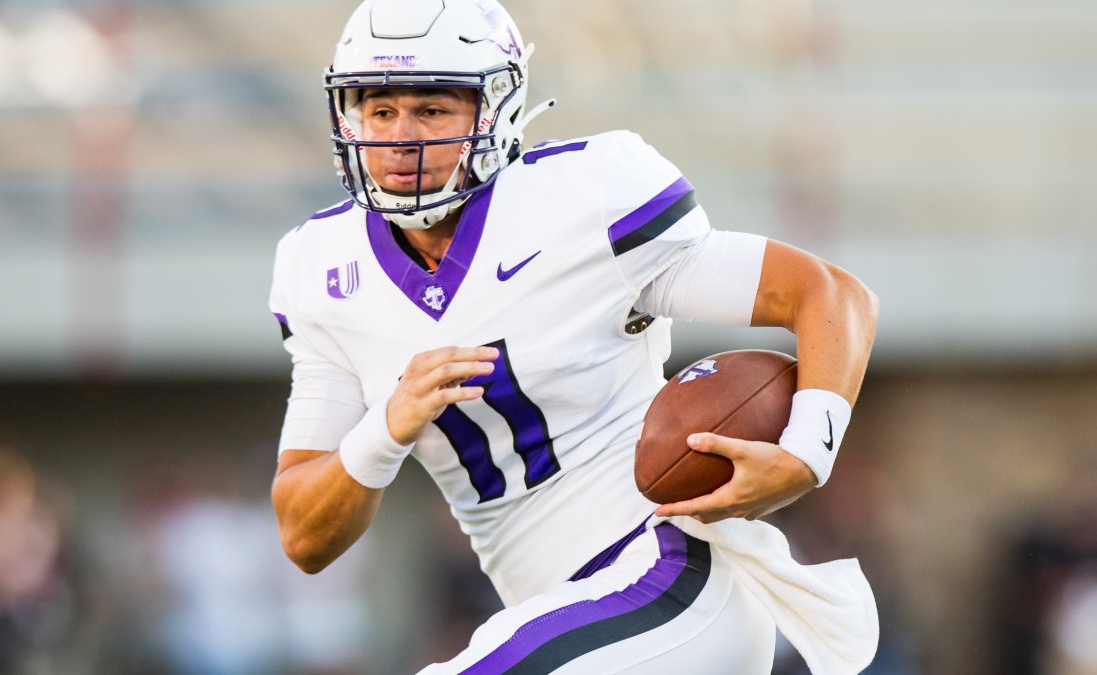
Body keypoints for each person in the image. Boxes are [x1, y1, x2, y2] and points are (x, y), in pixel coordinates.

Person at [269, 0, 880, 672]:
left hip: (676, 587)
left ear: (495, 109)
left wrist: (806, 453)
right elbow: (304, 533)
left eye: (433, 110)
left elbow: (829, 293)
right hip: (569, 625)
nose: (400, 137)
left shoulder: (587, 197)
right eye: (380, 111)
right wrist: (384, 429)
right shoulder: (321, 268)